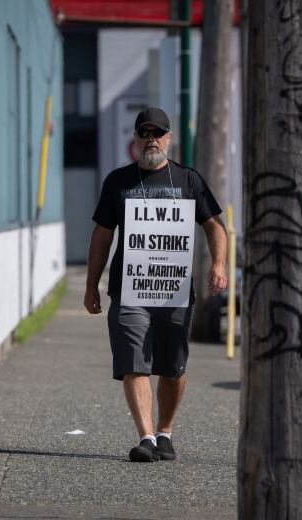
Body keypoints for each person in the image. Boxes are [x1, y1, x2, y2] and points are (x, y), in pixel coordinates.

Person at [84, 106, 227, 462]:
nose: (151, 140)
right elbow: (101, 236)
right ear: (135, 139)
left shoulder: (189, 180)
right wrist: (92, 286)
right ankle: (145, 437)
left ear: (169, 138)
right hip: (130, 291)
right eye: (144, 133)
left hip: (175, 291)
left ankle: (165, 431)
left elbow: (214, 225)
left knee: (173, 369)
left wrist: (219, 265)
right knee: (134, 363)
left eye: (157, 133)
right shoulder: (118, 181)